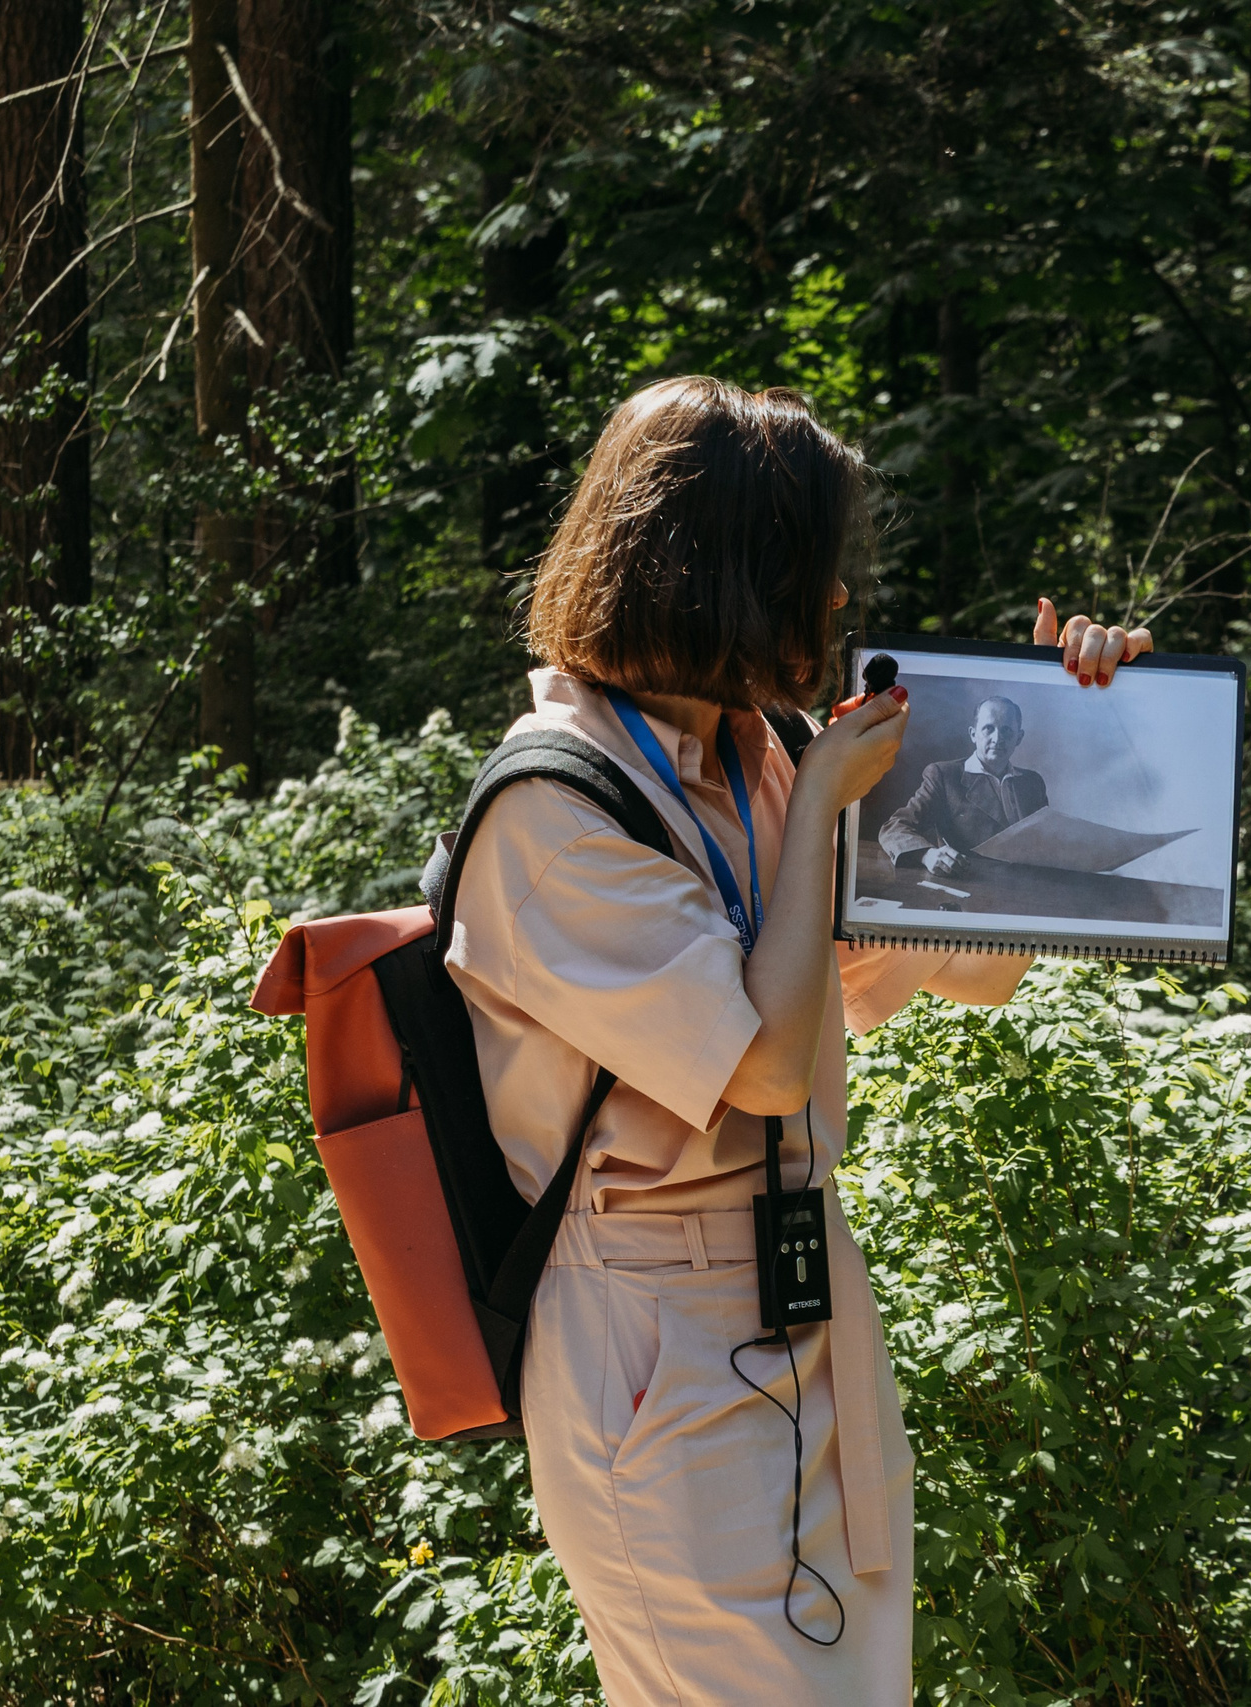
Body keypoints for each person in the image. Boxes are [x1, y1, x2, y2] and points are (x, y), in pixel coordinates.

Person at [439, 375, 1148, 1707]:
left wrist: (1079, 719)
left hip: (807, 1304)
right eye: (811, 569)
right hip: (657, 1336)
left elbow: (979, 969)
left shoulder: (758, 754)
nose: (833, 602)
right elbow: (762, 1064)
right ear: (719, 571)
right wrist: (828, 791)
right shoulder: (554, 806)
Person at [875, 696, 1046, 875]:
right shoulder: (945, 775)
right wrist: (927, 855)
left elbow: (1045, 842)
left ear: (1019, 737)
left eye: (1006, 731)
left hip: (1029, 885)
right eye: (989, 729)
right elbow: (894, 827)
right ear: (973, 734)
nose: (997, 738)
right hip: (970, 883)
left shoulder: (1033, 782)